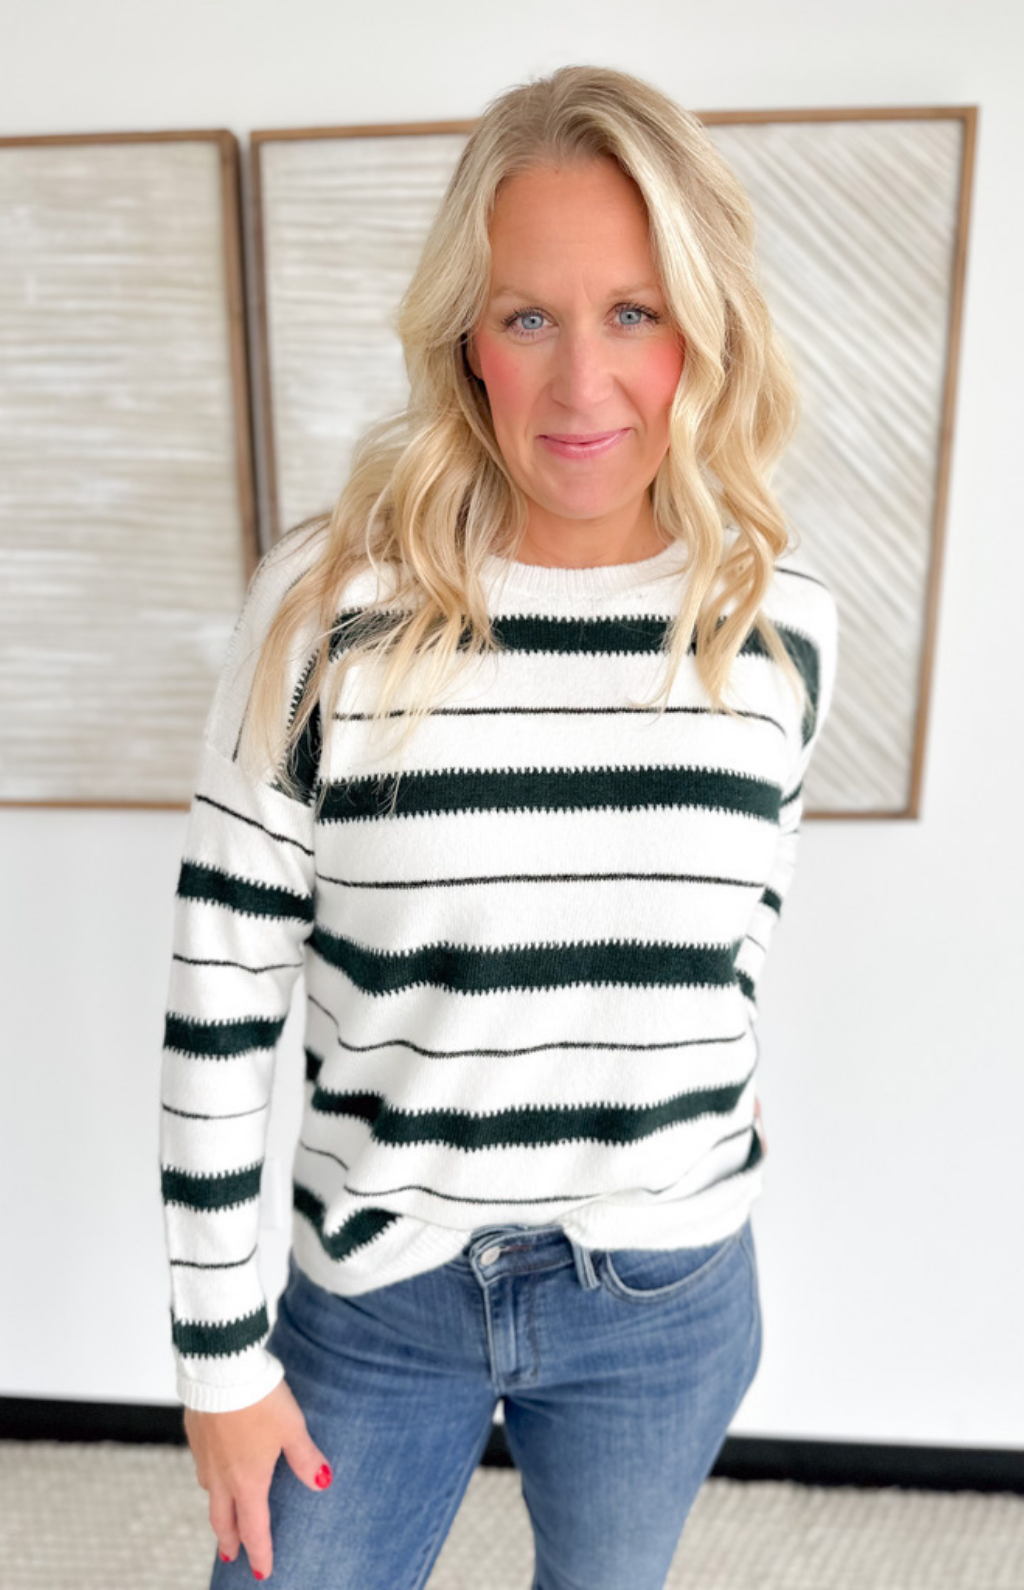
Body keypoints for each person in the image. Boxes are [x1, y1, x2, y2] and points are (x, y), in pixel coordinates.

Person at [159, 63, 838, 1590]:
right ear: (467, 336)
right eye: (530, 316)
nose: (582, 383)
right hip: (376, 1295)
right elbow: (218, 1005)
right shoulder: (326, 611)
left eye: (635, 312)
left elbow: (736, 936)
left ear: (704, 328)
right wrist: (218, 1362)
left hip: (663, 1293)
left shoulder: (780, 620)